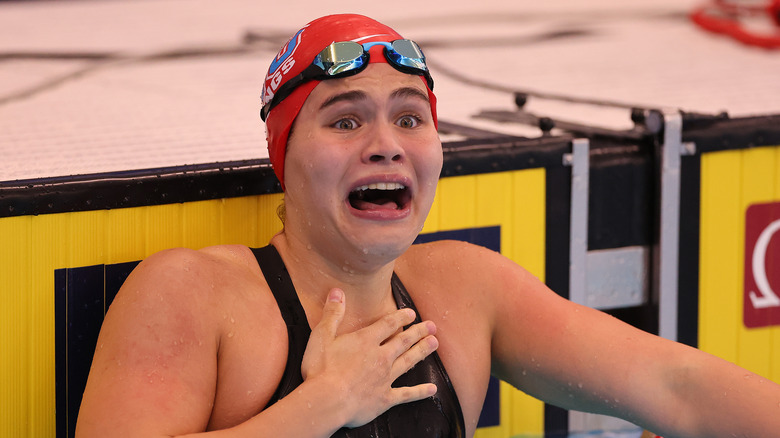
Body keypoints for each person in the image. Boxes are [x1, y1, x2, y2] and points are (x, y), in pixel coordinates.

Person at [75, 13, 780, 438]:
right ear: (284, 160)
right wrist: (319, 407)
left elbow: (675, 387)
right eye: (346, 119)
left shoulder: (464, 292)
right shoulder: (194, 296)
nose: (385, 143)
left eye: (410, 118)